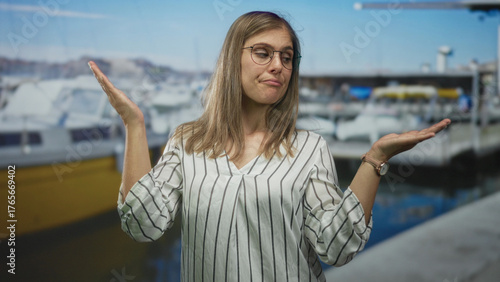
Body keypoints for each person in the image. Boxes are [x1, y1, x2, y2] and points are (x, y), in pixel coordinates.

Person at [88, 11, 450, 282]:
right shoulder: (186, 141)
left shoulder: (309, 148)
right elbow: (142, 225)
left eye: (287, 57)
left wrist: (375, 159)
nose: (278, 66)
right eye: (263, 53)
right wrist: (134, 126)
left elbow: (336, 248)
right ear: (234, 60)